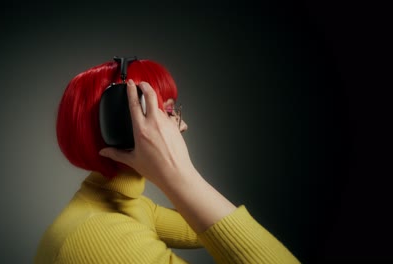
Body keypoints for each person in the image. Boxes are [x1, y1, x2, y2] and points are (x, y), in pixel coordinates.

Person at [34, 59, 300, 263]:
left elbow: (215, 229)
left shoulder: (124, 206)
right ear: (124, 126)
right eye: (170, 112)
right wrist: (179, 174)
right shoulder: (99, 235)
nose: (183, 125)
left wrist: (177, 178)